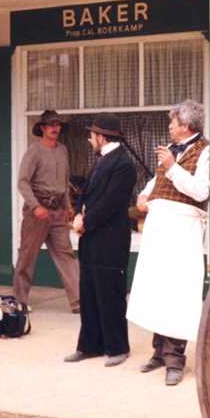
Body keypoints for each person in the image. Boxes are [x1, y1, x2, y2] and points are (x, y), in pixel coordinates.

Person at [127, 100, 210, 386]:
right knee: (157, 288)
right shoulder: (170, 152)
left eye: (173, 123)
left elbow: (200, 191)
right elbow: (156, 182)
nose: (170, 127)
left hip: (182, 228)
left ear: (186, 126)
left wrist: (173, 167)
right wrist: (143, 195)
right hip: (159, 227)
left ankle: (176, 359)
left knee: (178, 291)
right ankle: (159, 353)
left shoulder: (205, 151)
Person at [64, 113, 137, 367]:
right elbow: (85, 195)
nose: (89, 139)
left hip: (111, 240)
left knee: (110, 294)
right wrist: (76, 214)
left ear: (102, 136)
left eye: (92, 134)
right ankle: (89, 345)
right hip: (91, 239)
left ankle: (117, 347)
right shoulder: (101, 161)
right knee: (89, 292)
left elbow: (111, 203)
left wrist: (86, 221)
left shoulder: (124, 164)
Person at [14, 110, 80, 313]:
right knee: (27, 256)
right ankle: (20, 300)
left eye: (58, 125)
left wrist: (68, 206)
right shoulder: (34, 151)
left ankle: (78, 300)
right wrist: (36, 207)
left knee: (66, 255)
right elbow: (22, 182)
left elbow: (65, 181)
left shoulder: (62, 150)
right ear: (42, 128)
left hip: (58, 211)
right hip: (37, 211)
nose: (55, 128)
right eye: (50, 125)